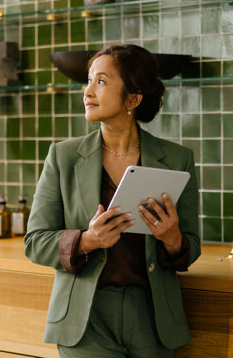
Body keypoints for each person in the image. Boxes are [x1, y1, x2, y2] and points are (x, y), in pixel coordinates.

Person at [24, 44, 200, 358]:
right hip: (86, 318)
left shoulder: (177, 159)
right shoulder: (62, 157)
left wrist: (172, 238)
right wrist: (86, 241)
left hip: (153, 316)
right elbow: (35, 241)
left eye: (101, 82)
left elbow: (192, 246)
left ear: (133, 98)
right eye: (88, 81)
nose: (87, 91)